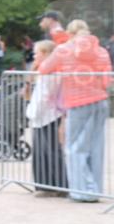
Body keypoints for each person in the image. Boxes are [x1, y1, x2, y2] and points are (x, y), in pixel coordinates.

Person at [37, 19, 112, 202]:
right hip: (100, 101)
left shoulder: (63, 50)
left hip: (78, 102)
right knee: (96, 147)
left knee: (75, 148)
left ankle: (82, 191)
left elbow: (44, 68)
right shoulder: (101, 51)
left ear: (69, 34)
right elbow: (107, 80)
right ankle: (95, 189)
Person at [24, 40, 67, 196]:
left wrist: (31, 113)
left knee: (51, 151)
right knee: (41, 152)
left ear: (46, 54)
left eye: (37, 53)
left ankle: (60, 185)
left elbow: (44, 97)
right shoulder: (43, 72)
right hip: (42, 116)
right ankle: (45, 185)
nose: (35, 56)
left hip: (48, 116)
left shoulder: (51, 74)